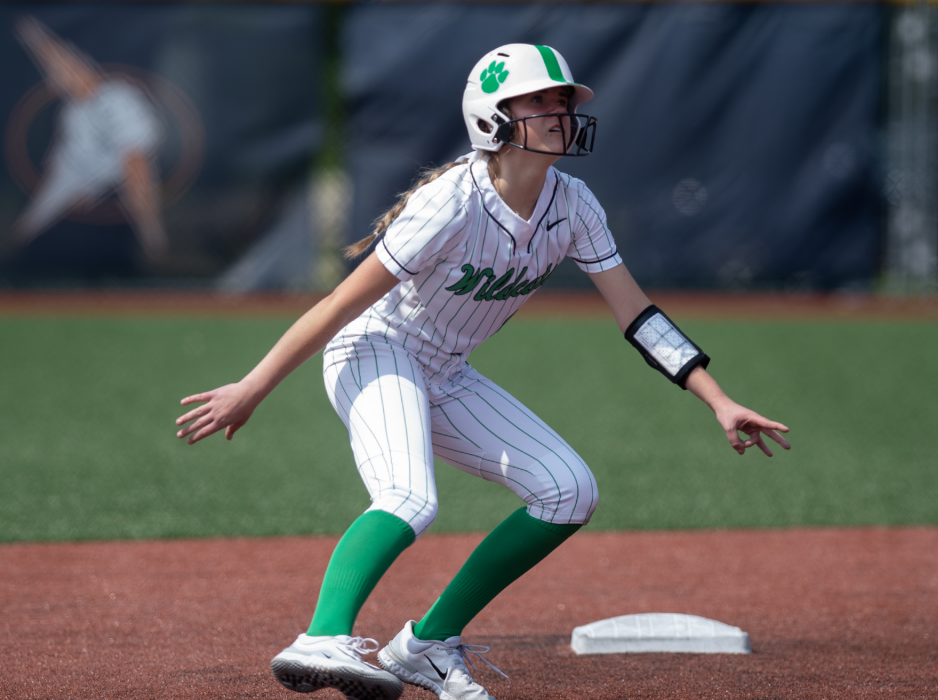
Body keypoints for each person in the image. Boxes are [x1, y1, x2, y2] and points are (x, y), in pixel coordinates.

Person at [176, 43, 790, 700]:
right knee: (410, 499)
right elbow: (338, 305)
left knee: (569, 489)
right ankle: (321, 637)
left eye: (563, 100)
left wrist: (717, 398)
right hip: (375, 349)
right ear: (493, 119)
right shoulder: (452, 202)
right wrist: (253, 386)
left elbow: (638, 315)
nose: (559, 111)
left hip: (445, 369)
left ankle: (426, 646)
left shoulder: (574, 204)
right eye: (540, 100)